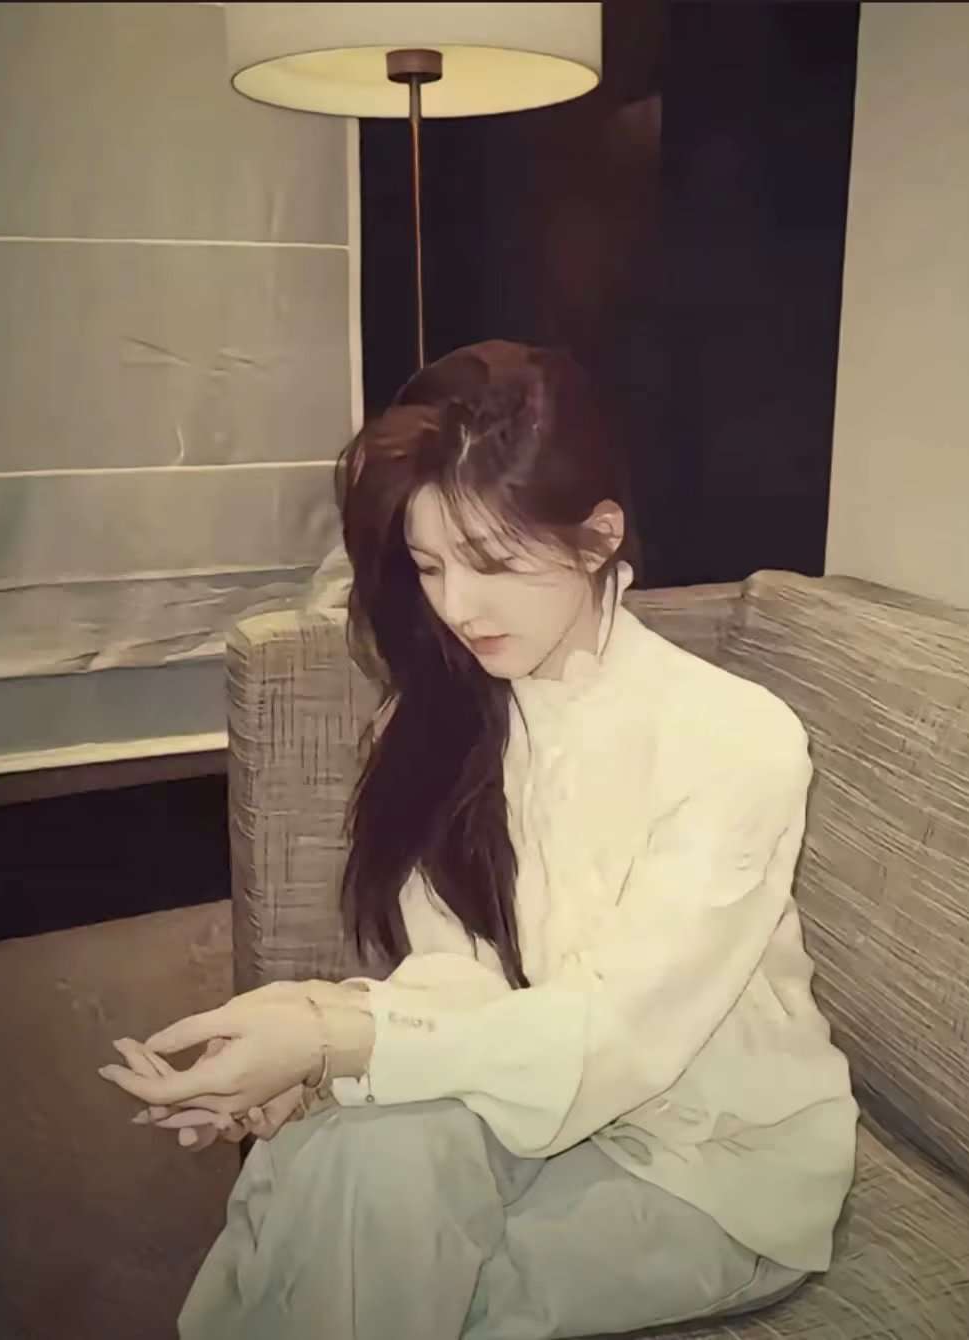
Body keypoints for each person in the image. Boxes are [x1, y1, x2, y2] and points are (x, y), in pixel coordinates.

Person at [98, 340, 859, 1340]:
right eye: (429, 566)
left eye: (492, 562)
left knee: (358, 1247)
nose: (457, 606)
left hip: (705, 1161)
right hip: (522, 1108)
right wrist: (316, 1057)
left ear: (598, 537)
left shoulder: (732, 738)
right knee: (344, 1165)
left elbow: (620, 1037)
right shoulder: (449, 712)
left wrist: (339, 1040)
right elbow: (463, 980)